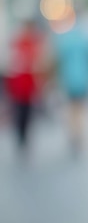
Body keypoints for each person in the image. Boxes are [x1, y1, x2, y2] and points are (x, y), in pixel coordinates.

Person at [53, 21, 88, 152]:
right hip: (84, 81)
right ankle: (79, 132)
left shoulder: (65, 41)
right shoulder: (86, 40)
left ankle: (73, 132)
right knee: (81, 109)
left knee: (71, 109)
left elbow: (59, 61)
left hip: (69, 81)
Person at [4, 19, 49, 151]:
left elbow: (39, 63)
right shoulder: (17, 43)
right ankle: (20, 135)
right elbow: (11, 62)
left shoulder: (34, 43)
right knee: (20, 111)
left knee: (28, 111)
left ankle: (25, 136)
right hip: (19, 83)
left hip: (29, 84)